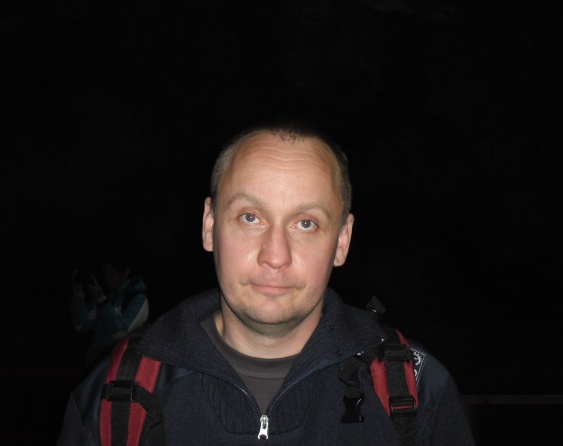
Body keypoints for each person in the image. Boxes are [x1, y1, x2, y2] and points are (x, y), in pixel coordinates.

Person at [58, 118, 476, 445]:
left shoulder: (415, 390)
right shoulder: (118, 395)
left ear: (342, 241)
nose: (275, 255)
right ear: (209, 226)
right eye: (250, 217)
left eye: (306, 223)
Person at [70, 255, 149, 371]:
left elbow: (120, 333)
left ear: (125, 272)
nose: (108, 278)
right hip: (95, 368)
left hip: (121, 371)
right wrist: (78, 294)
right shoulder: (107, 297)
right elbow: (80, 325)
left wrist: (101, 300)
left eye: (112, 274)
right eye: (105, 274)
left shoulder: (137, 300)